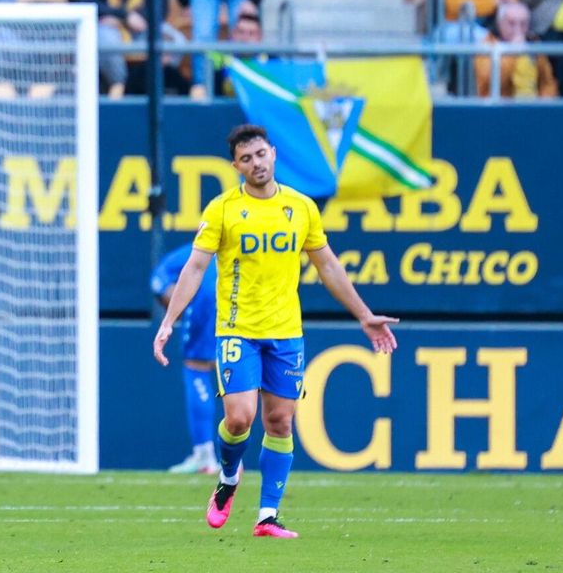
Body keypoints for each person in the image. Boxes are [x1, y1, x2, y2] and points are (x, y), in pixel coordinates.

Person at [152, 124, 398, 539]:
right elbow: (195, 267)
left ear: (274, 154)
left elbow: (328, 265)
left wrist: (363, 314)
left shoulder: (301, 208)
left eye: (261, 154)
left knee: (280, 421)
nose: (256, 163)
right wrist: (169, 321)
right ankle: (229, 478)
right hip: (237, 330)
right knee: (239, 417)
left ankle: (267, 516)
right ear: (236, 166)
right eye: (246, 159)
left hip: (286, 332)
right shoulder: (223, 209)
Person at [150, 242, 220, 474]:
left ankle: (205, 455)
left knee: (197, 367)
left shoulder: (194, 251)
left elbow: (158, 280)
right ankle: (234, 455)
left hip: (206, 305)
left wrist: (180, 305)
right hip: (248, 304)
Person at [473, 1, 559, 97]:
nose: (518, 29)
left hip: (531, 107)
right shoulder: (487, 44)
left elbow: (547, 82)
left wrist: (545, 106)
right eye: (511, 23)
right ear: (500, 23)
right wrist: (513, 52)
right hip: (498, 108)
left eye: (523, 24)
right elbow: (487, 80)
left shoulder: (534, 44)